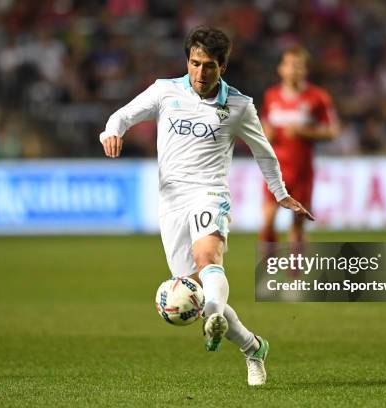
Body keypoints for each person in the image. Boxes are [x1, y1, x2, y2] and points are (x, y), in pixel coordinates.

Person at [99, 27, 313, 386]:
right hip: (170, 202)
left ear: (223, 67)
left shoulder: (239, 106)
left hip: (209, 194)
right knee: (193, 292)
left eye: (209, 66)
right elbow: (122, 116)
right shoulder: (165, 91)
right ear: (187, 62)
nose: (200, 73)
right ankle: (253, 347)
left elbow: (264, 152)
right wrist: (111, 132)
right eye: (195, 64)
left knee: (208, 259)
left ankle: (213, 321)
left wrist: (279, 193)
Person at [260, 45, 339, 248]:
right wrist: (265, 132)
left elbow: (332, 130)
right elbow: (265, 123)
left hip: (302, 170)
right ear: (281, 69)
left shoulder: (317, 97)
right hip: (275, 170)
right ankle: (268, 268)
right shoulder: (271, 96)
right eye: (289, 65)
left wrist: (304, 132)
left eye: (298, 66)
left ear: (305, 70)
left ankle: (295, 275)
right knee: (267, 221)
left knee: (297, 226)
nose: (293, 70)